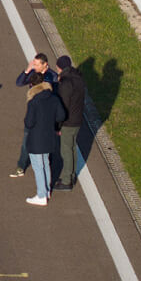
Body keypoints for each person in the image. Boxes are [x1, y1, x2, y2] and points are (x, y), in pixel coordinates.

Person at [9, 53, 57, 178]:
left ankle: (48, 168)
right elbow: (19, 83)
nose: (34, 66)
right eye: (33, 64)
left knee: (46, 142)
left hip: (46, 115)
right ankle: (21, 166)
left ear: (44, 64)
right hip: (33, 113)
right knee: (26, 140)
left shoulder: (52, 76)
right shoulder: (33, 73)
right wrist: (27, 70)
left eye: (36, 64)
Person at [23, 73, 66, 206]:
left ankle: (41, 195)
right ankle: (47, 191)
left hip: (36, 138)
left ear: (32, 85)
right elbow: (61, 116)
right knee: (46, 163)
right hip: (49, 136)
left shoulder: (33, 102)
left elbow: (29, 123)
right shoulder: (54, 98)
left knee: (38, 166)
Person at [55, 55, 87, 191]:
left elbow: (63, 105)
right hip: (78, 119)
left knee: (66, 150)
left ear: (60, 67)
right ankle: (71, 174)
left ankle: (67, 180)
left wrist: (58, 125)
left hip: (68, 121)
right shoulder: (78, 79)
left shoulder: (65, 83)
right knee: (72, 148)